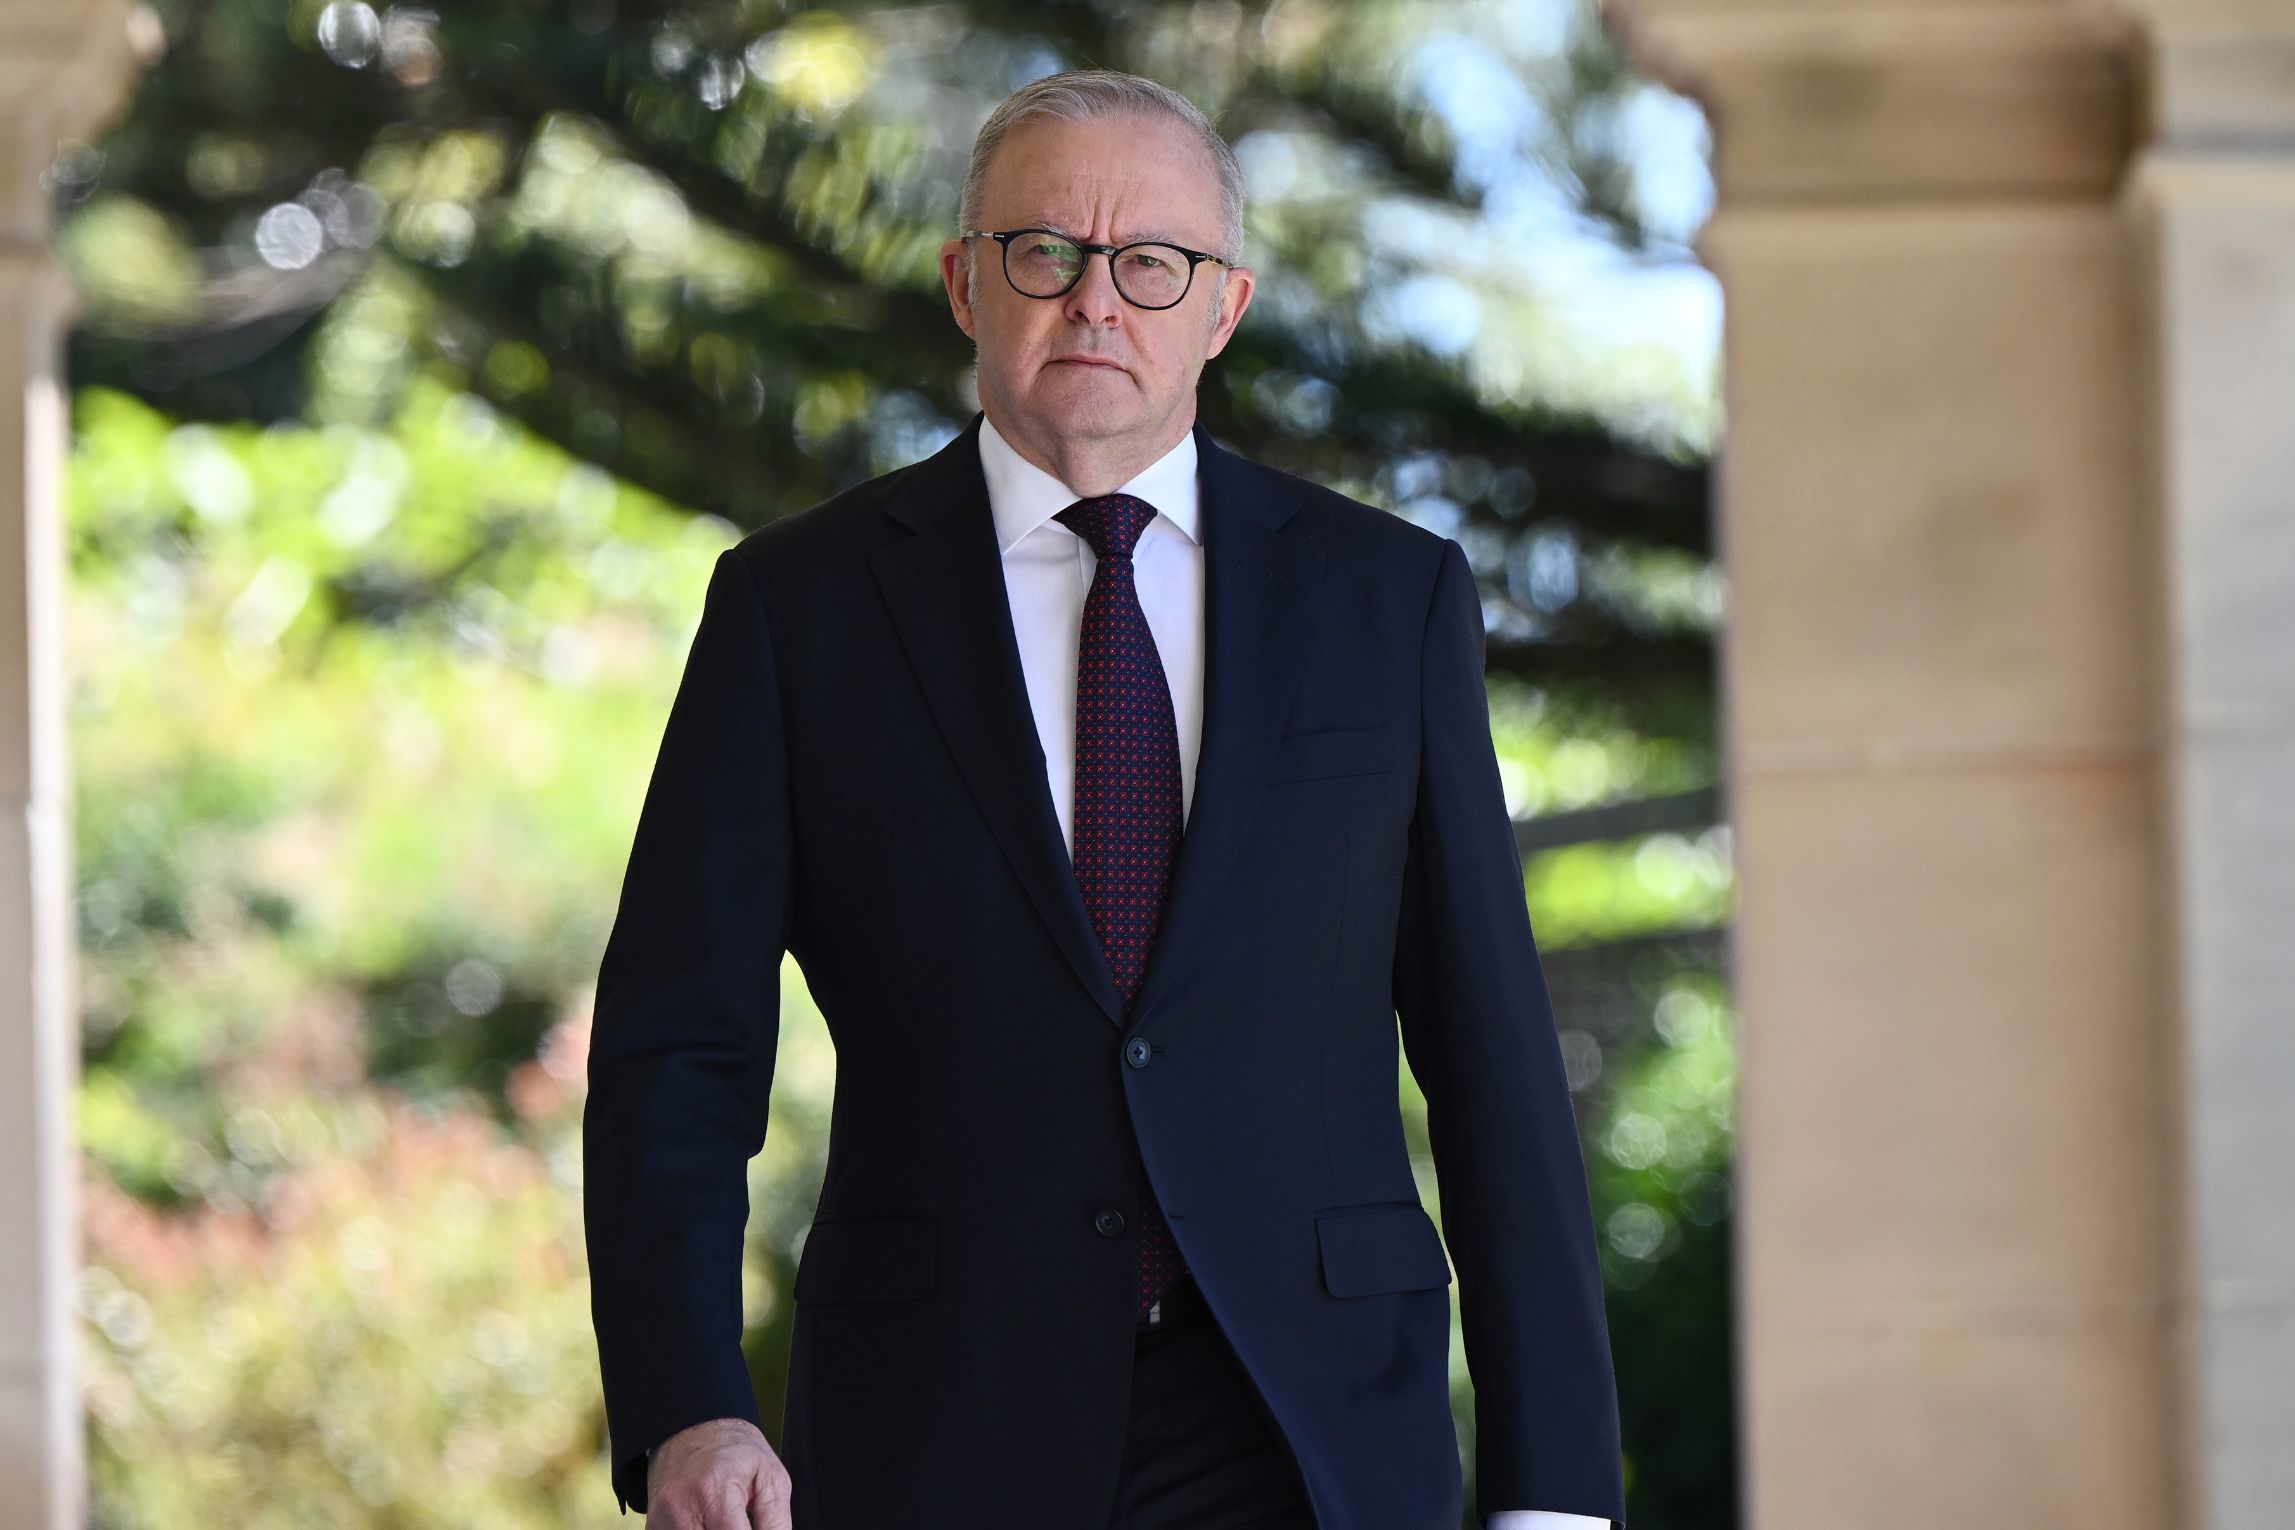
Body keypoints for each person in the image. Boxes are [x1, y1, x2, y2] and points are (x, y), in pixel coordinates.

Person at [583, 67, 1626, 1530]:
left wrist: (1556, 1492)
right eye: (1044, 252)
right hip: (937, 1411)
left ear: (1225, 305)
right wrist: (688, 1401)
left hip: (1308, 1417)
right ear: (964, 283)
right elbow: (673, 1051)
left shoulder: (1387, 600)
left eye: (1151, 261)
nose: (1095, 300)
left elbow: (1492, 1056)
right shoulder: (794, 612)